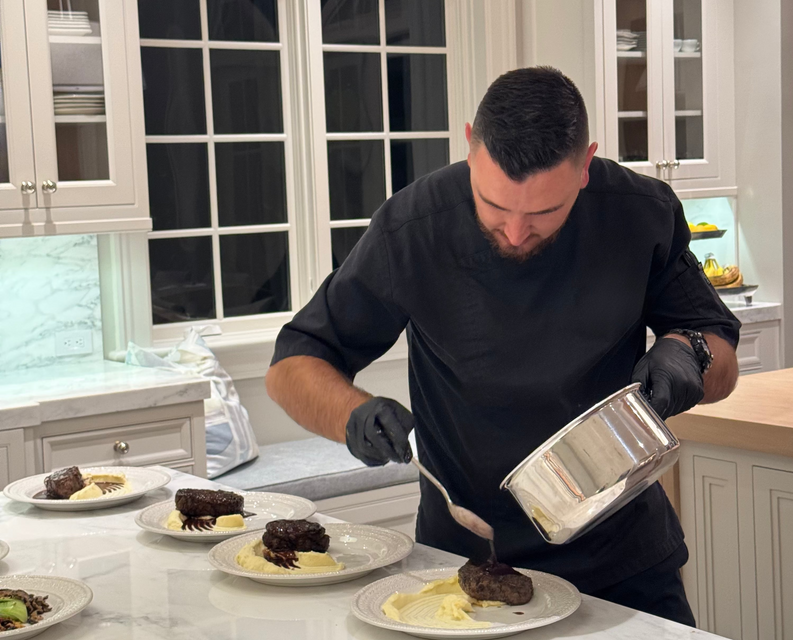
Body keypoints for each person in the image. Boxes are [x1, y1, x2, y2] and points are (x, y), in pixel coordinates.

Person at [265, 66, 740, 626]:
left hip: (624, 556)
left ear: (585, 166)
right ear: (470, 146)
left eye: (544, 213)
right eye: (495, 207)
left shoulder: (640, 211)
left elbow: (719, 351)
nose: (516, 233)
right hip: (465, 564)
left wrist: (689, 355)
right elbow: (293, 364)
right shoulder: (414, 227)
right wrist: (352, 414)